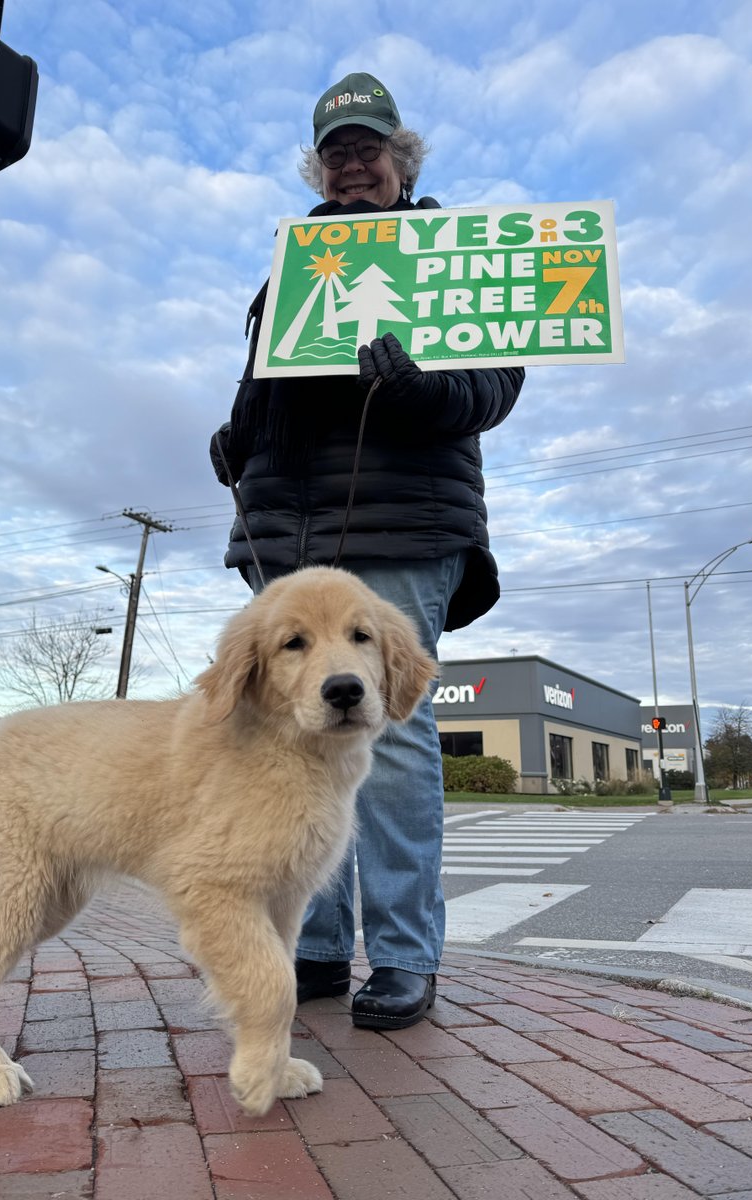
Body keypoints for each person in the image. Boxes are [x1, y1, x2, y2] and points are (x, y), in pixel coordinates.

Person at [210, 71, 525, 1030]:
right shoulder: (292, 268)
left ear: (402, 160)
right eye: (337, 152)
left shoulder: (453, 254)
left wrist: (420, 385)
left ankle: (399, 954)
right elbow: (267, 384)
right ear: (321, 166)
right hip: (287, 531)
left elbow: (495, 384)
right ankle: (311, 943)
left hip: (401, 522)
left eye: (369, 149)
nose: (354, 165)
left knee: (389, 739)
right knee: (289, 738)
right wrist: (235, 437)